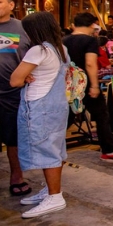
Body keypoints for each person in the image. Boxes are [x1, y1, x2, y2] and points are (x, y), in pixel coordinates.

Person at [10, 12, 70, 217]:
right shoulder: (61, 48)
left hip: (39, 106)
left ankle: (54, 196)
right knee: (56, 148)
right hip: (57, 105)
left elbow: (14, 80)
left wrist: (25, 75)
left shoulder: (38, 50)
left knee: (46, 151)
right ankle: (51, 190)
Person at [62, 12, 113, 164]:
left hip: (69, 86)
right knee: (102, 116)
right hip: (86, 84)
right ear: (92, 24)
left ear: (74, 25)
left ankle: (49, 147)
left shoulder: (64, 40)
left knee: (68, 117)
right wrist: (95, 85)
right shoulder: (90, 41)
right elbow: (90, 63)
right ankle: (109, 151)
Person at [0, 0, 31, 198]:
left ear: (11, 5)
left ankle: (16, 177)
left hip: (13, 94)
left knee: (14, 139)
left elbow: (38, 55)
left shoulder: (24, 29)